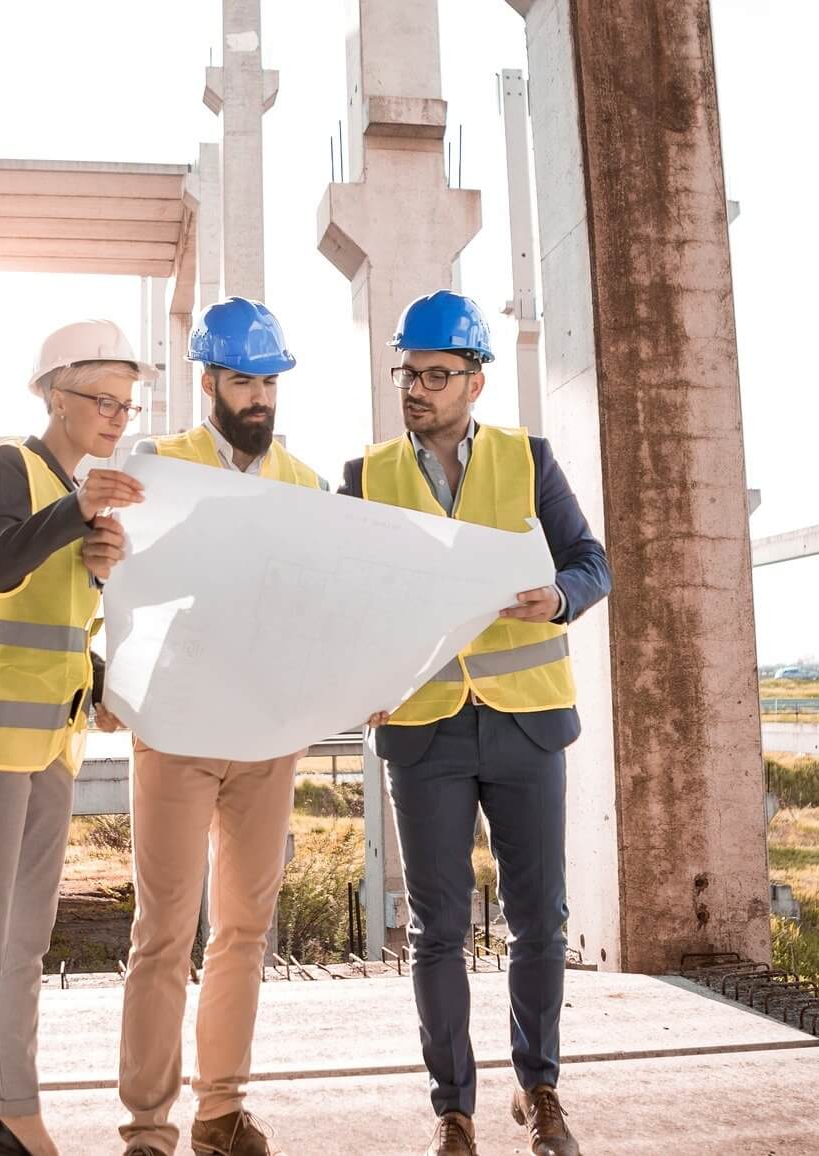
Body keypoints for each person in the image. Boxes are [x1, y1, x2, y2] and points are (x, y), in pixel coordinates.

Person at [339, 290, 611, 1156]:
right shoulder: (366, 475)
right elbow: (343, 599)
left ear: (475, 381)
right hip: (423, 731)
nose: (415, 388)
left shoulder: (528, 460)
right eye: (407, 373)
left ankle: (540, 1091)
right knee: (439, 931)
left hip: (525, 724)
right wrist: (358, 680)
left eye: (435, 374)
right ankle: (452, 1110)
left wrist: (559, 597)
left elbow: (591, 562)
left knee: (541, 920)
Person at [0, 319, 150, 1156]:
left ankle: (16, 1110)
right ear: (54, 393)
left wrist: (106, 666)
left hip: (51, 742)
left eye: (127, 403)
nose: (117, 415)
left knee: (24, 940)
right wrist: (73, 514)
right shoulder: (11, 464)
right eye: (101, 399)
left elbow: (60, 624)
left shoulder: (85, 490)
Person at [114, 298, 329, 1156]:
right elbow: (116, 582)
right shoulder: (158, 466)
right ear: (209, 381)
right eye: (243, 379)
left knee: (243, 929)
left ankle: (220, 1112)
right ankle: (147, 1128)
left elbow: (323, 607)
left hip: (267, 734)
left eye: (270, 382)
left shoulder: (308, 486)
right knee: (162, 931)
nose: (260, 398)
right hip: (175, 727)